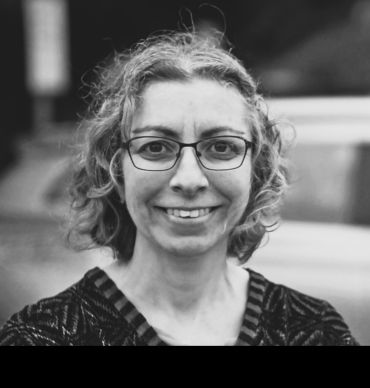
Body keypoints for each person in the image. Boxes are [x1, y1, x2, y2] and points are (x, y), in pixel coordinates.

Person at [0, 30, 359, 346]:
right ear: (116, 173)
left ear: (256, 171)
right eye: (155, 147)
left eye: (221, 147)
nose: (189, 179)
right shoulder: (45, 336)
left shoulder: (314, 330)